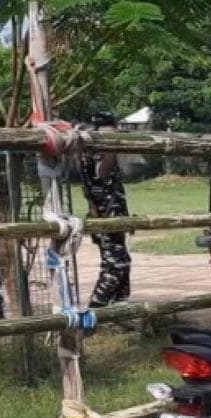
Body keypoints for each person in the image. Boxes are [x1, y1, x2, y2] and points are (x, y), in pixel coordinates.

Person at [79, 111, 132, 308]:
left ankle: (119, 309)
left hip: (109, 211)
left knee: (122, 262)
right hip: (106, 213)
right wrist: (112, 147)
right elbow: (102, 174)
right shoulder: (96, 148)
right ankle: (96, 310)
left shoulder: (92, 146)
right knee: (115, 265)